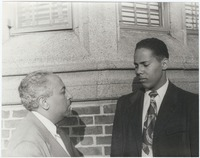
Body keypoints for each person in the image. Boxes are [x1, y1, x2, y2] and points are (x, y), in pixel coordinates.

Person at [111, 38, 198, 157]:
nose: (139, 71)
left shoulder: (191, 104)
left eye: (145, 64)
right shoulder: (125, 104)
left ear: (164, 64)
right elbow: (117, 153)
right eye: (136, 65)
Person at [7, 71, 82, 157]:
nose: (70, 96)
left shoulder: (55, 130)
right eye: (63, 92)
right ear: (44, 102)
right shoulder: (27, 144)